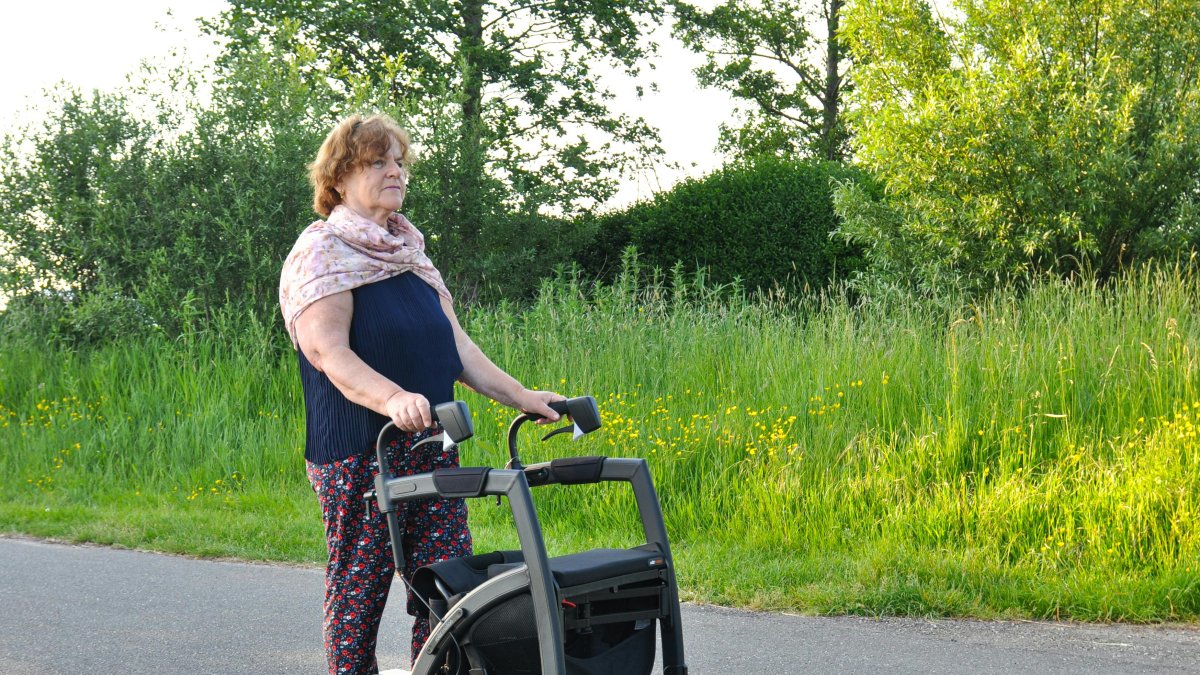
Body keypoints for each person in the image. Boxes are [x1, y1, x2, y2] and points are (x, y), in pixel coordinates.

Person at [279, 113, 562, 675]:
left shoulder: (409, 252)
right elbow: (326, 352)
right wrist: (391, 399)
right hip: (361, 451)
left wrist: (521, 395)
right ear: (338, 177)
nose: (396, 171)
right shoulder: (321, 252)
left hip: (432, 445)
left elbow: (456, 349)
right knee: (359, 592)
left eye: (400, 161)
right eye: (378, 161)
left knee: (444, 587)